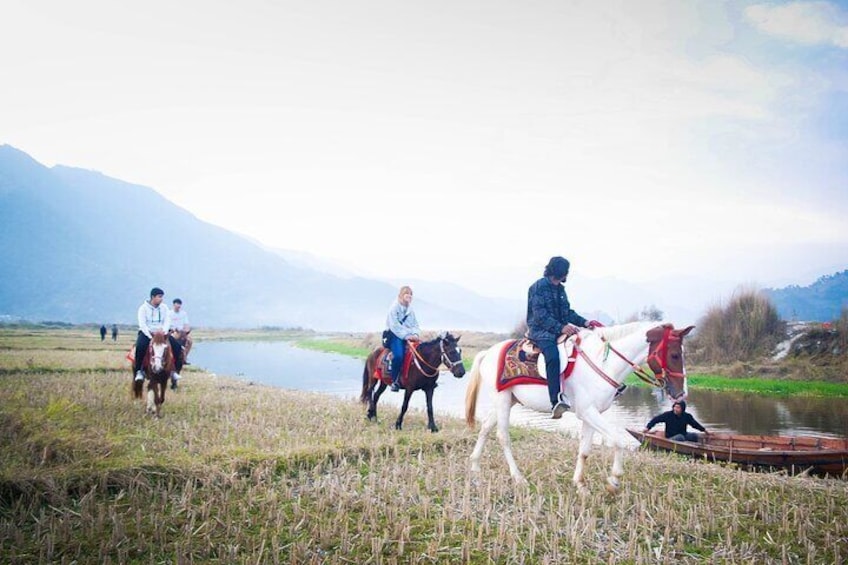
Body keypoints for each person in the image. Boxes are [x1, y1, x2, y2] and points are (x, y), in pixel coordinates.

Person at [527, 256, 603, 419]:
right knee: (553, 357)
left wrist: (585, 322)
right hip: (541, 331)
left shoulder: (560, 289)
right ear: (559, 272)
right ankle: (555, 401)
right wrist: (561, 327)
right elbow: (540, 316)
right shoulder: (537, 287)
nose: (566, 275)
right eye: (565, 272)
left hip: (560, 331)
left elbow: (567, 312)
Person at [133, 287, 184, 386]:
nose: (161, 299)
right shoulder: (143, 308)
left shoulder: (164, 308)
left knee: (177, 348)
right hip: (147, 333)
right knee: (140, 347)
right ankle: (139, 371)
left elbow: (167, 321)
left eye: (162, 297)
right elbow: (142, 324)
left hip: (161, 334)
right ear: (153, 297)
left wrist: (164, 332)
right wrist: (150, 336)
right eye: (159, 297)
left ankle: (174, 372)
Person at [385, 285, 421, 392]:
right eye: (407, 295)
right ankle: (394, 380)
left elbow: (415, 324)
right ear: (401, 296)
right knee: (399, 356)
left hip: (410, 336)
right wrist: (406, 336)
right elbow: (394, 326)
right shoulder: (394, 308)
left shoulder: (410, 310)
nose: (409, 297)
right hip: (395, 335)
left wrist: (416, 335)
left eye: (410, 296)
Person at [643, 400, 708, 442]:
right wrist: (648, 427)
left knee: (694, 436)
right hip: (671, 437)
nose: (675, 409)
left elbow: (695, 424)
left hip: (683, 434)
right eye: (675, 407)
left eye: (678, 407)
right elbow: (655, 419)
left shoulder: (687, 416)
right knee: (680, 437)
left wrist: (704, 430)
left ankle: (692, 447)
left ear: (682, 409)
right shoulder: (668, 415)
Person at [170, 298, 193, 365]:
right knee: (175, 338)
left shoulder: (183, 313)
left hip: (182, 332)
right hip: (173, 332)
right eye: (177, 304)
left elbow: (186, 324)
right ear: (174, 304)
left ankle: (184, 358)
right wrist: (174, 330)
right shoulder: (169, 313)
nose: (178, 306)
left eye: (179, 304)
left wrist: (187, 330)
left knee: (189, 341)